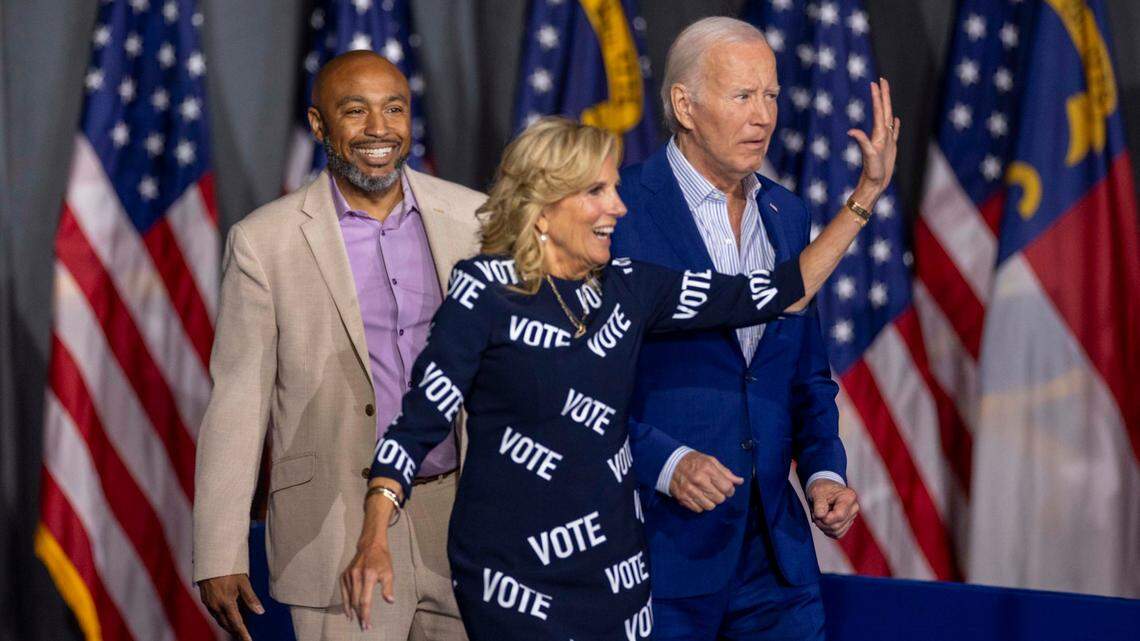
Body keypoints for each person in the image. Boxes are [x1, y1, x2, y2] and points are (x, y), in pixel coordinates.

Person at [340, 113, 895, 640]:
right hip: (513, 578)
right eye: (596, 192)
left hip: (618, 576)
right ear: (541, 209)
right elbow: (419, 422)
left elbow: (775, 291)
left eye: (614, 188)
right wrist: (374, 532)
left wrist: (864, 198)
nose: (619, 208)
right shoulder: (483, 291)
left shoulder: (631, 286)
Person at [611, 17, 896, 640]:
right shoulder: (619, 209)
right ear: (684, 105)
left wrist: (824, 470)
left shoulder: (787, 213)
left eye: (770, 95)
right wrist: (665, 462)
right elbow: (580, 389)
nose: (764, 116)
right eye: (743, 96)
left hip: (776, 558)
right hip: (660, 550)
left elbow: (807, 374)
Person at [193, 51, 484, 641]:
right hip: (338, 524)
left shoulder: (475, 217)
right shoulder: (264, 242)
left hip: (463, 515)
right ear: (320, 125)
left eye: (394, 109)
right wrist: (219, 549)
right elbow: (239, 400)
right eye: (356, 111)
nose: (380, 129)